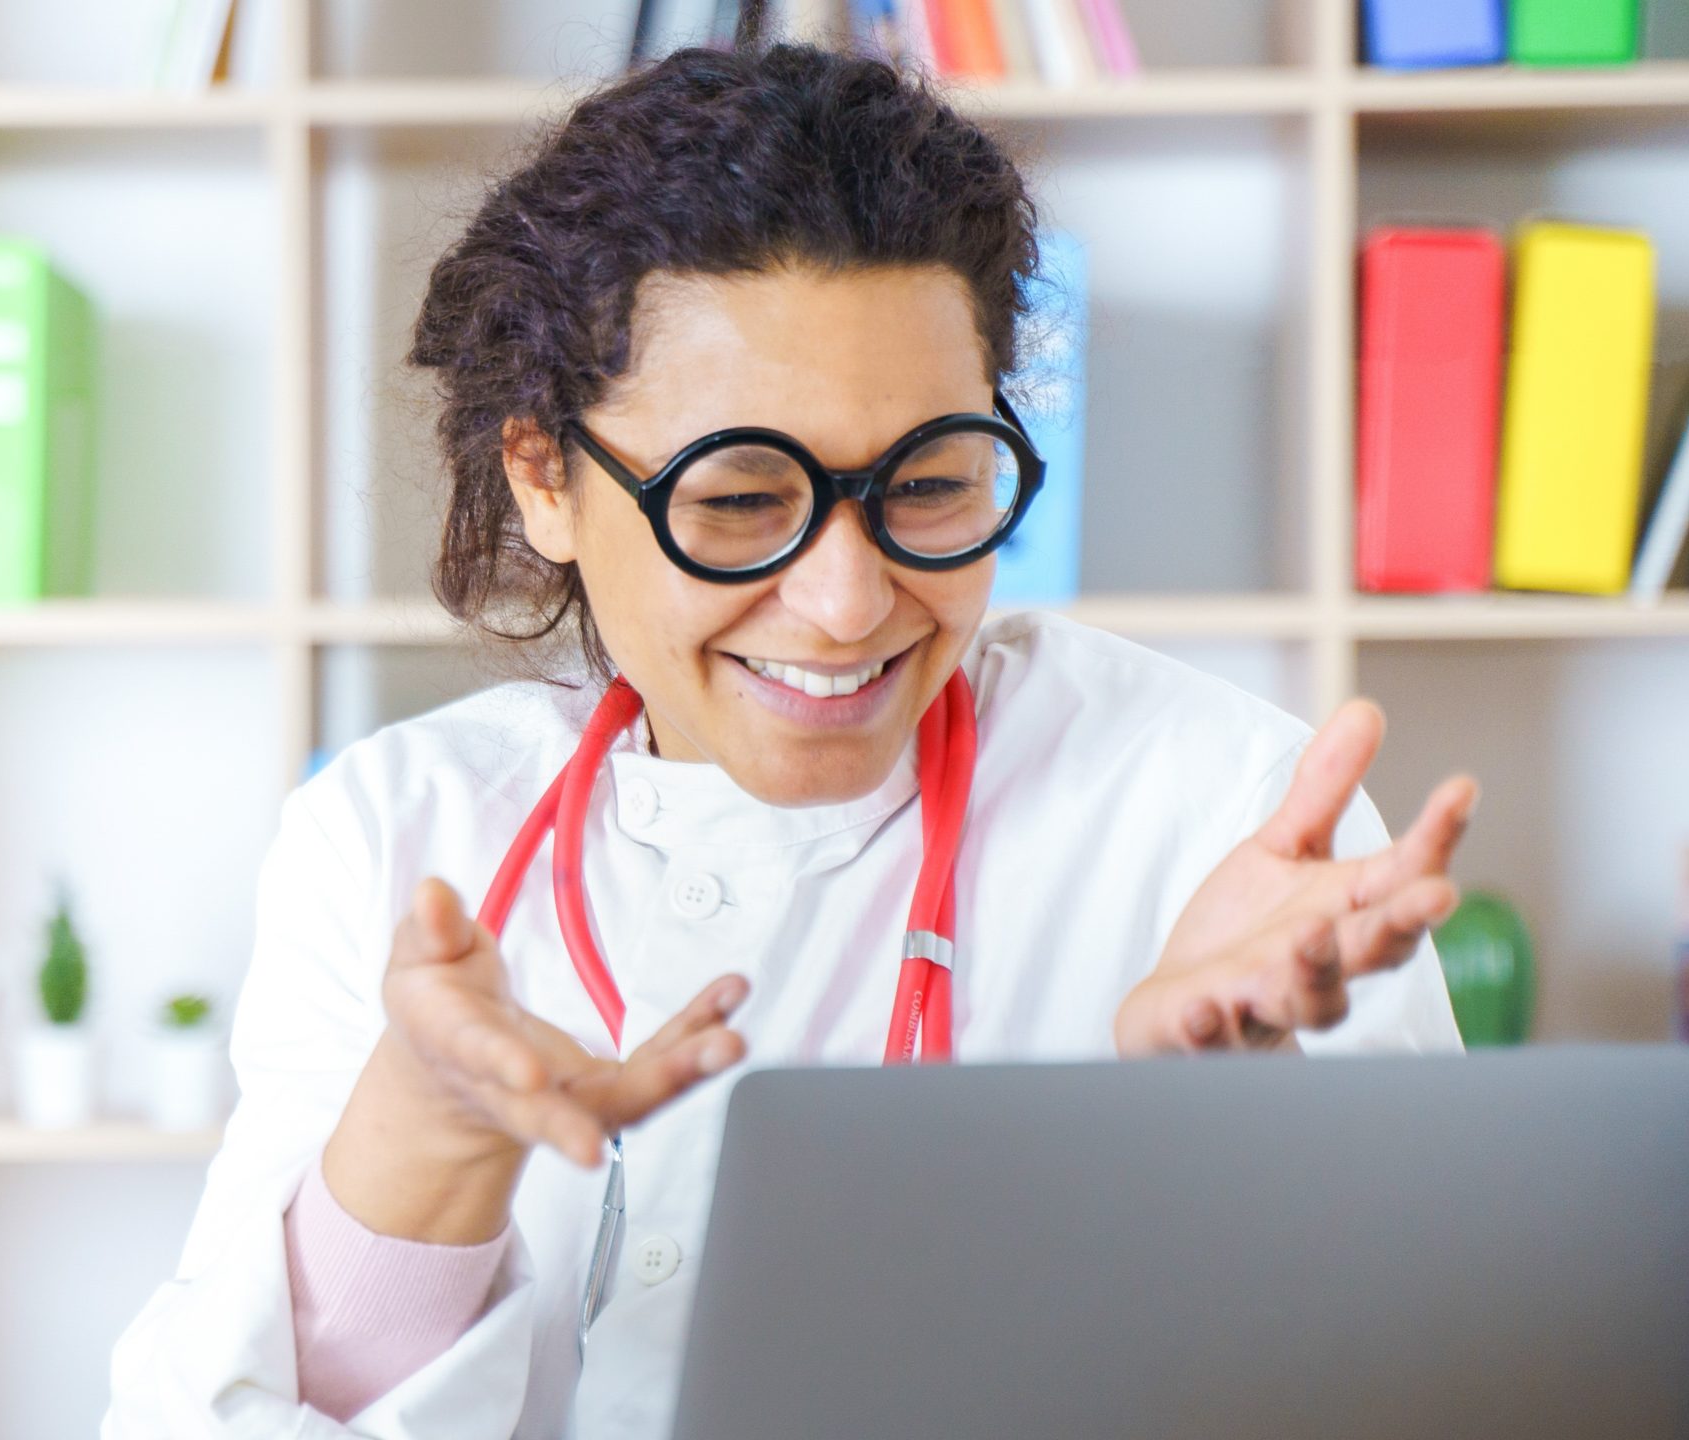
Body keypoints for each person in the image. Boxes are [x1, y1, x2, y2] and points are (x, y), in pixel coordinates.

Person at [105, 41, 1474, 1440]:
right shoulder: (399, 837)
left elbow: (1463, 1383)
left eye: (932, 482)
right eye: (743, 498)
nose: (847, 602)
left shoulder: (1220, 814)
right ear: (545, 481)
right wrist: (429, 1138)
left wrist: (1209, 1147)